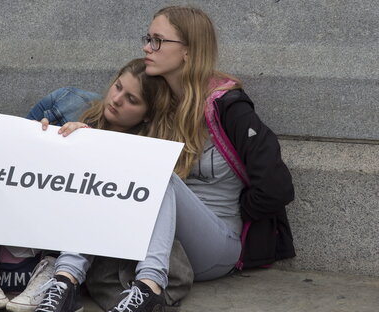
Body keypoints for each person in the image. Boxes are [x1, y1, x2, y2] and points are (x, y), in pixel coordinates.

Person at [33, 6, 295, 312]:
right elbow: (121, 159)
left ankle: (149, 289)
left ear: (188, 51)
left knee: (158, 174)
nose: (147, 47)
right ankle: (65, 281)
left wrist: (235, 212)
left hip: (216, 244)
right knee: (140, 170)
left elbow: (277, 187)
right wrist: (89, 135)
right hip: (163, 241)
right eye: (148, 38)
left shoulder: (229, 108)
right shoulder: (159, 99)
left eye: (158, 40)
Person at [0, 58, 176, 312]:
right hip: (37, 217)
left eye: (132, 100)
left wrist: (95, 148)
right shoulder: (68, 104)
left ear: (147, 115)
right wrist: (44, 140)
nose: (117, 99)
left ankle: (68, 275)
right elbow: (9, 169)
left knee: (117, 171)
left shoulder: (149, 149)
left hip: (85, 233)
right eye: (118, 86)